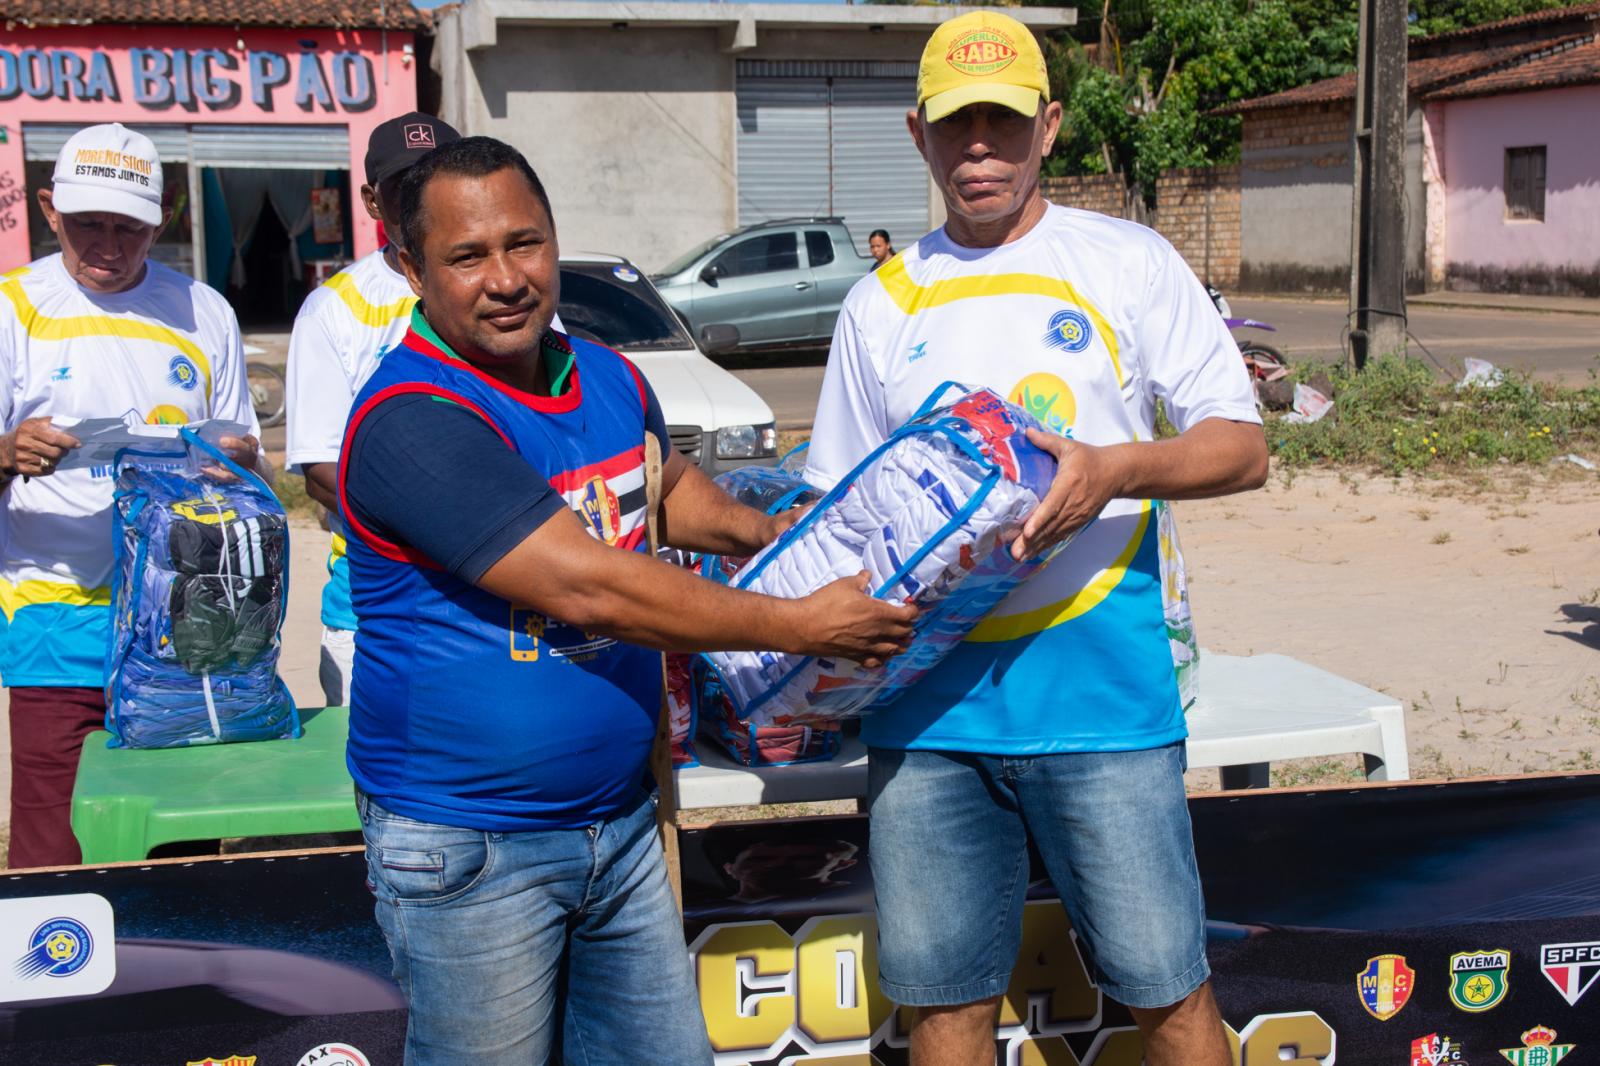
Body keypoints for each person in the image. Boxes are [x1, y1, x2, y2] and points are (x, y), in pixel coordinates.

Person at [339, 135, 917, 1065]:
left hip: (621, 826)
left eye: (525, 244)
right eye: (466, 256)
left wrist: (775, 537)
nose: (506, 279)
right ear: (410, 266)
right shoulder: (412, 419)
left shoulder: (605, 373)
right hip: (470, 848)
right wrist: (802, 622)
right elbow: (589, 585)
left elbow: (660, 484)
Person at [804, 12, 1268, 1066]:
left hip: (1100, 692)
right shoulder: (880, 302)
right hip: (927, 711)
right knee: (947, 1007)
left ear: (1049, 126)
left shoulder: (1127, 264)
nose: (981, 147)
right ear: (917, 133)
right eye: (958, 123)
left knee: (1170, 993)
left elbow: (1241, 448)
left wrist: (1115, 469)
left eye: (1004, 122)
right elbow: (838, 508)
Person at [0, 123, 261, 869]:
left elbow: (248, 459)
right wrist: (9, 453)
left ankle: (180, 983)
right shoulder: (14, 308)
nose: (108, 247)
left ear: (164, 220)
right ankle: (54, 983)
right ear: (50, 211)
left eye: (129, 229)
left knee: (178, 829)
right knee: (56, 838)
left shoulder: (203, 310)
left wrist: (235, 463)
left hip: (185, 617)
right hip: (55, 613)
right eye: (88, 226)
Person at [287, 110, 565, 708]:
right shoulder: (333, 310)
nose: (421, 200)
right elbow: (321, 470)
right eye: (402, 186)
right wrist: (461, 527)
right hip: (385, 610)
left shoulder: (510, 293)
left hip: (518, 593)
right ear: (370, 201)